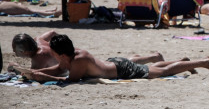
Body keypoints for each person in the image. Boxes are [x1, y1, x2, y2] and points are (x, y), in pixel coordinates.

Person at [16, 34, 209, 83]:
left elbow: (67, 80)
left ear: (60, 53)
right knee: (156, 67)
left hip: (121, 71)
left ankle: (204, 62)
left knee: (162, 72)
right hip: (116, 63)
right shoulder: (72, 54)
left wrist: (39, 76)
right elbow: (58, 69)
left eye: (52, 52)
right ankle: (183, 62)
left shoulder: (78, 61)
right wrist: (35, 73)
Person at [11, 31, 164, 71]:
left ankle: (153, 56)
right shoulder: (39, 40)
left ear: (24, 52)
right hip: (78, 54)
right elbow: (52, 32)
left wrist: (16, 70)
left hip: (78, 61)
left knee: (115, 65)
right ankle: (147, 57)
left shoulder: (38, 58)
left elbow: (34, 74)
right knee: (114, 63)